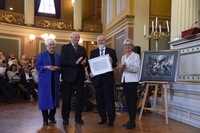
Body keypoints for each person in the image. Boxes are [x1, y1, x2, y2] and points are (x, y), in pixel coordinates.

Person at [89, 35, 118, 127]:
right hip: (97, 80)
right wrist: (90, 73)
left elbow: (115, 65)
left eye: (102, 40)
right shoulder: (93, 52)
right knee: (99, 101)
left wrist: (111, 61)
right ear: (97, 42)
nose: (100, 41)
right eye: (99, 40)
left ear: (105, 41)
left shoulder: (111, 51)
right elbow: (91, 66)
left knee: (109, 100)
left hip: (108, 80)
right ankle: (103, 118)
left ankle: (111, 119)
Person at [60, 32, 87, 125]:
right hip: (68, 76)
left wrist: (84, 63)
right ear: (71, 38)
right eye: (75, 37)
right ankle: (65, 118)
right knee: (67, 98)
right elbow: (63, 61)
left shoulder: (82, 49)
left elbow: (85, 61)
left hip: (79, 76)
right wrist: (75, 62)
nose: (77, 39)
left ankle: (78, 117)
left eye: (78, 37)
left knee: (80, 98)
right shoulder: (65, 47)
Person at [35, 38, 61, 125]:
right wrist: (46, 67)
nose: (52, 46)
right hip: (45, 81)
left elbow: (62, 67)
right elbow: (37, 66)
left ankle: (52, 117)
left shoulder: (58, 56)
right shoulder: (42, 55)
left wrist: (58, 68)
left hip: (55, 80)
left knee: (54, 99)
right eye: (50, 45)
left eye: (53, 44)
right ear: (46, 46)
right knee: (44, 100)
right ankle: (45, 119)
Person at [117, 38, 140, 129]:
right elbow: (122, 70)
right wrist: (120, 67)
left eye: (129, 45)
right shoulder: (123, 57)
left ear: (132, 46)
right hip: (125, 81)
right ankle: (130, 120)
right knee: (127, 102)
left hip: (132, 81)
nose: (127, 47)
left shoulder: (136, 56)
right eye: (125, 45)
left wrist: (125, 67)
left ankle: (133, 122)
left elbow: (136, 69)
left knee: (132, 102)